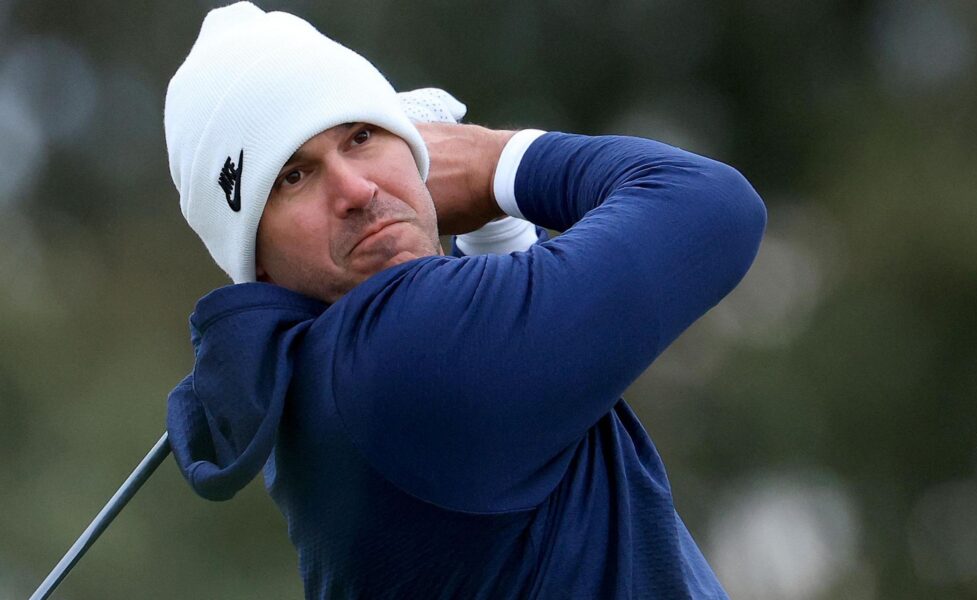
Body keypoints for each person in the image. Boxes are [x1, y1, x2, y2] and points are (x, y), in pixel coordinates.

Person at [164, 2, 766, 599]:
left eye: (362, 136)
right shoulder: (400, 349)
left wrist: (494, 225)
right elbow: (711, 206)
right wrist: (495, 162)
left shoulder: (322, 375)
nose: (356, 189)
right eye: (294, 176)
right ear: (256, 262)